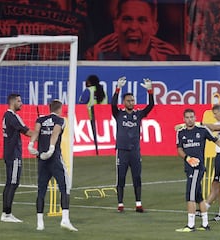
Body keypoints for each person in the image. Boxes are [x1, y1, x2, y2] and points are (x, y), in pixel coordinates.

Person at [175, 108, 220, 232]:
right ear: (184, 119)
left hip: (197, 168)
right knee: (199, 197)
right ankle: (205, 224)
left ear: (195, 118)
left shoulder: (203, 130)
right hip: (188, 167)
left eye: (192, 117)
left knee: (190, 195)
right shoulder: (180, 133)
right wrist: (187, 158)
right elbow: (179, 149)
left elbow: (217, 140)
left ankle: (191, 225)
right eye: (187, 117)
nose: (189, 119)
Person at [28, 99, 77, 231]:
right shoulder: (60, 120)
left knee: (41, 191)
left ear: (50, 108)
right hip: (54, 159)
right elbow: (55, 133)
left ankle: (40, 223)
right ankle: (65, 220)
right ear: (60, 109)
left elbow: (35, 132)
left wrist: (31, 144)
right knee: (64, 187)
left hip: (42, 159)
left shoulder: (41, 119)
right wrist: (51, 148)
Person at [111, 76, 154, 212]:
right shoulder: (118, 114)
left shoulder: (138, 114)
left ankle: (138, 204)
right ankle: (120, 204)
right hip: (122, 151)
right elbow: (112, 105)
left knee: (137, 177)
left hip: (135, 150)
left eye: (133, 100)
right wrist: (118, 89)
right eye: (128, 100)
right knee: (121, 177)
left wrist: (150, 91)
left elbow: (151, 106)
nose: (131, 102)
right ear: (123, 102)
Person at [85, 0, 179, 61]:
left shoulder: (168, 56)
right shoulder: (97, 53)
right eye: (127, 19)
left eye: (142, 20)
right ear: (116, 25)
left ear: (154, 28)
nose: (133, 27)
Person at [1, 93, 33, 223]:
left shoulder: (6, 116)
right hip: (14, 154)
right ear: (13, 102)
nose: (21, 103)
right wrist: (43, 134)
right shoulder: (13, 116)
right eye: (19, 101)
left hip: (9, 153)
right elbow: (26, 131)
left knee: (10, 183)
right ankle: (7, 214)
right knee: (13, 183)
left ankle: (6, 213)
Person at [79, 75, 108, 155]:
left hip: (90, 119)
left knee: (92, 138)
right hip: (102, 120)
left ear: (89, 82)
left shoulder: (88, 91)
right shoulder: (103, 92)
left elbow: (81, 106)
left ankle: (94, 152)